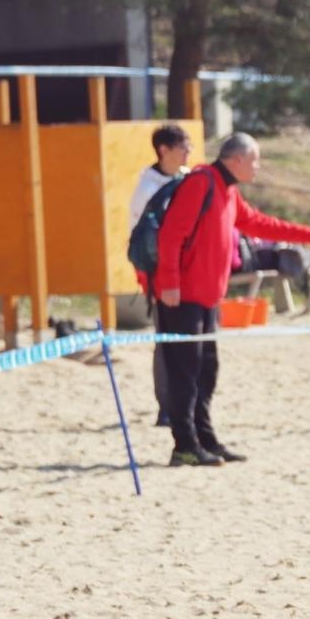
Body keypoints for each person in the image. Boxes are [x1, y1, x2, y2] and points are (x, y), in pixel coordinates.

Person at [155, 133, 310, 467]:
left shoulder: (229, 192)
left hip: (208, 298)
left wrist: (309, 235)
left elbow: (260, 223)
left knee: (207, 371)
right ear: (236, 159)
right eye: (255, 159)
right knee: (185, 372)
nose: (258, 167)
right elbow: (171, 235)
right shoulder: (200, 183)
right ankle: (184, 445)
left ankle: (205, 438)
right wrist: (169, 283)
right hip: (182, 298)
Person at [129, 123, 193, 428]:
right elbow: (149, 240)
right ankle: (166, 406)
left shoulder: (186, 179)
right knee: (166, 339)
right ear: (164, 150)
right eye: (182, 146)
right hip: (160, 274)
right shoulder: (148, 190)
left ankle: (186, 403)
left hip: (187, 273)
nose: (188, 151)